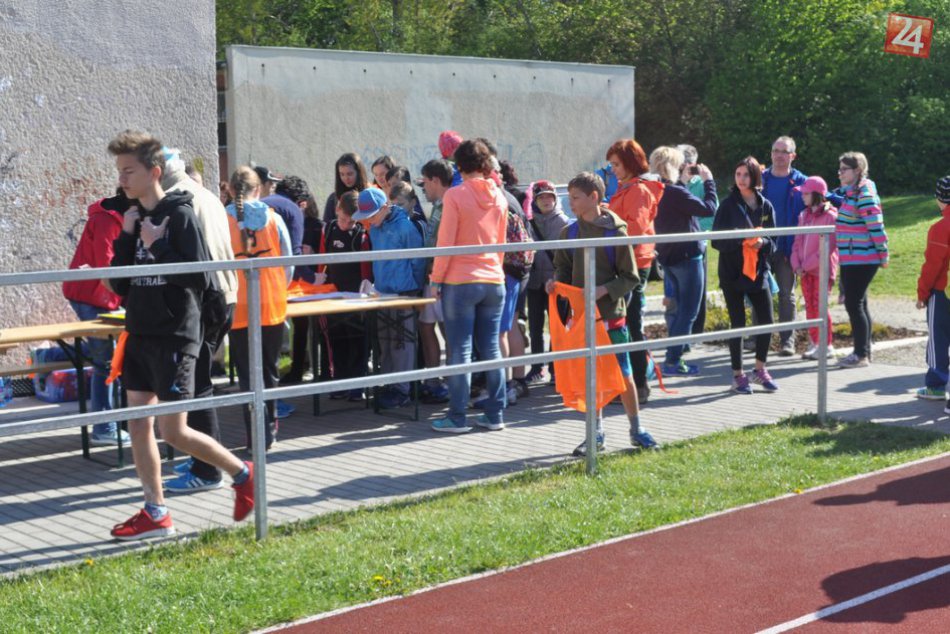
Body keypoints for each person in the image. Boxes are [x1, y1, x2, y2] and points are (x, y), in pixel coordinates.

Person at [106, 130, 253, 540]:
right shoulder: (135, 218)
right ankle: (156, 512)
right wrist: (127, 236)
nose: (122, 179)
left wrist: (157, 246)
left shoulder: (181, 214)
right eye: (119, 171)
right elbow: (122, 287)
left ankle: (242, 473)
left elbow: (199, 277)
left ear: (154, 171)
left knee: (174, 432)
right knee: (138, 426)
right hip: (139, 332)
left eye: (129, 171)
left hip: (175, 334)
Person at [547, 172, 659, 455]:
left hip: (612, 318)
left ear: (593, 197)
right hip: (582, 318)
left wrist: (604, 290)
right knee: (590, 376)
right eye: (569, 197)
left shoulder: (615, 233)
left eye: (575, 198)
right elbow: (561, 265)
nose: (569, 202)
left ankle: (637, 429)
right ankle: (595, 433)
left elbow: (630, 277)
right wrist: (555, 282)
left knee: (624, 375)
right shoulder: (569, 233)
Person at [160, 147, 239, 493]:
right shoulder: (205, 194)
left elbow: (186, 261)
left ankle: (209, 471)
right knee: (198, 383)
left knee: (198, 387)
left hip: (204, 299)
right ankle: (203, 462)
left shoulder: (178, 200)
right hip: (225, 295)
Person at [429, 139, 507, 433]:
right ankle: (495, 414)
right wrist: (495, 270)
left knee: (459, 349)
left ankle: (457, 416)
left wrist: (436, 279)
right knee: (491, 350)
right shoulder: (499, 196)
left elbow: (445, 241)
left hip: (460, 280)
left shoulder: (455, 195)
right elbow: (500, 243)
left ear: (458, 165)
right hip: (493, 279)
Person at [225, 166, 293, 449]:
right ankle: (270, 427)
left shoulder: (222, 219)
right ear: (259, 189)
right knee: (269, 370)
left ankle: (256, 435)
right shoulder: (273, 219)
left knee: (247, 375)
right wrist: (279, 287)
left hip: (239, 304)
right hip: (272, 302)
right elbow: (289, 263)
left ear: (230, 190)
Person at [62, 189, 132, 446]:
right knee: (105, 362)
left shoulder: (122, 217)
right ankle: (104, 427)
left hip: (104, 295)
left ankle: (48, 356)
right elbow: (107, 264)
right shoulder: (106, 220)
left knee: (107, 355)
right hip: (90, 295)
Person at [353, 188, 426, 409]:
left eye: (372, 215)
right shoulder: (375, 230)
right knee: (385, 342)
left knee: (402, 342)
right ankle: (388, 383)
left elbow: (418, 261)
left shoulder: (406, 227)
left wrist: (413, 287)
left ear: (385, 207)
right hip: (383, 292)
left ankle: (402, 389)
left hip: (404, 292)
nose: (368, 221)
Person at [712, 156, 779, 394]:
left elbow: (775, 241)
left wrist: (762, 242)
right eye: (738, 174)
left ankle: (759, 370)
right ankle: (738, 376)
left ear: (755, 177)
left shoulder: (765, 205)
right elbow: (716, 242)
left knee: (767, 321)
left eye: (746, 175)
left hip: (758, 272)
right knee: (737, 324)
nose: (741, 179)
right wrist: (741, 239)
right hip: (732, 274)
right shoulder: (727, 205)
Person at [650, 146, 717, 376]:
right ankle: (672, 360)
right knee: (689, 311)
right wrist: (709, 182)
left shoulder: (655, 189)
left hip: (668, 257)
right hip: (687, 257)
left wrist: (683, 183)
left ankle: (673, 356)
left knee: (679, 310)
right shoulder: (676, 193)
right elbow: (709, 209)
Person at [605, 139, 663, 402]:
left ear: (629, 163)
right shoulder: (627, 188)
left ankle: (638, 385)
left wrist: (608, 221)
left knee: (631, 324)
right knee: (626, 323)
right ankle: (631, 384)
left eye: (616, 164)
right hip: (627, 263)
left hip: (633, 265)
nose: (613, 169)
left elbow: (635, 230)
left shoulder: (637, 191)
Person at [317, 190, 373, 401]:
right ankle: (339, 381)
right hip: (333, 294)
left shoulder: (361, 235)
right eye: (342, 219)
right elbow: (322, 262)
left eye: (350, 222)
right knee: (336, 339)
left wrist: (363, 296)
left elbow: (365, 270)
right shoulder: (329, 229)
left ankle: (357, 384)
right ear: (336, 210)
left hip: (355, 296)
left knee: (356, 340)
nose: (344, 225)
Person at [834, 151, 888, 369]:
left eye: (844, 169)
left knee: (853, 303)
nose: (839, 173)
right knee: (859, 303)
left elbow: (876, 225)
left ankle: (860, 355)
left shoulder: (864, 193)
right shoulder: (850, 192)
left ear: (857, 171)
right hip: (850, 257)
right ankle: (863, 351)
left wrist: (883, 254)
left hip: (863, 258)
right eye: (839, 169)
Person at [762, 136, 808, 356]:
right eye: (775, 150)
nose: (779, 155)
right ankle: (758, 338)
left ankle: (787, 341)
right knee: (759, 293)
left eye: (784, 151)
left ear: (793, 156)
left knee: (786, 295)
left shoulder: (802, 183)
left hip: (789, 247)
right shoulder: (760, 180)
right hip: (762, 247)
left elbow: (819, 205)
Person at [524, 180, 571, 385]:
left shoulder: (563, 222)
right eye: (541, 197)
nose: (546, 200)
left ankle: (556, 368)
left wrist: (559, 277)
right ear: (535, 200)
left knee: (556, 328)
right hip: (534, 282)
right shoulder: (530, 221)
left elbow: (568, 256)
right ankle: (536, 368)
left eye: (549, 196)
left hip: (556, 283)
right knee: (535, 327)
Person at [416, 159, 454, 404]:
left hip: (444, 277)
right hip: (431, 275)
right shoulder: (439, 205)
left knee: (448, 330)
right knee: (426, 324)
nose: (423, 189)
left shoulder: (451, 204)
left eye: (425, 183)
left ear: (436, 181)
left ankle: (452, 383)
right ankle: (433, 379)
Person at [790, 176, 838, 361]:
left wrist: (805, 265)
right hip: (804, 271)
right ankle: (817, 343)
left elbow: (828, 248)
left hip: (821, 271)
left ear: (817, 195)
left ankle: (827, 345)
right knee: (810, 306)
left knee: (820, 306)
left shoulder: (831, 217)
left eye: (806, 193)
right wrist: (796, 265)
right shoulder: (803, 215)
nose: (802, 196)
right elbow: (797, 242)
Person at [914, 176, 950, 402]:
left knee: (938, 338)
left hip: (941, 292)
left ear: (940, 199)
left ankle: (936, 385)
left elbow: (932, 266)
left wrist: (922, 294)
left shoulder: (940, 228)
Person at [677, 144, 717, 340]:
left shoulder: (702, 185)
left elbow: (711, 215)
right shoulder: (673, 183)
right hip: (674, 245)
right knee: (676, 292)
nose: (683, 167)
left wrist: (691, 226)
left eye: (687, 164)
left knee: (697, 291)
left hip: (696, 245)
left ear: (694, 163)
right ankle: (678, 333)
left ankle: (697, 333)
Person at [322, 153, 369, 225]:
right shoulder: (334, 198)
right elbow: (327, 225)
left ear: (359, 173)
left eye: (350, 174)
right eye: (342, 174)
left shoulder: (370, 195)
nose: (346, 178)